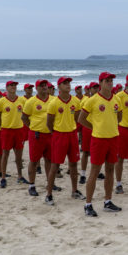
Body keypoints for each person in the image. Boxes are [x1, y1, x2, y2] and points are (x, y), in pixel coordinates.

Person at [78, 72, 123, 217]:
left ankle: (108, 201)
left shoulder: (116, 99)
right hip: (98, 140)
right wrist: (95, 127)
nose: (110, 83)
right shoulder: (93, 100)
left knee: (110, 170)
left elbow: (119, 116)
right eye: (107, 81)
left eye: (111, 81)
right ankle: (88, 204)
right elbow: (81, 119)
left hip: (113, 138)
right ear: (101, 83)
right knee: (95, 171)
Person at [45, 77, 85, 205]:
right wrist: (56, 132)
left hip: (72, 135)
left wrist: (71, 129)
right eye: (65, 83)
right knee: (55, 166)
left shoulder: (75, 101)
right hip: (59, 135)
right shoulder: (54, 103)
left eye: (69, 83)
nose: (68, 85)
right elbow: (49, 123)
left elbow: (77, 117)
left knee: (73, 164)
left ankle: (74, 190)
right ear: (59, 86)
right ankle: (49, 194)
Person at [22, 79, 54, 196]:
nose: (44, 87)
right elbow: (24, 117)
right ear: (37, 88)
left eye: (45, 85)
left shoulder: (53, 100)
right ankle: (31, 185)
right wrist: (33, 127)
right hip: (37, 134)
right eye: (41, 86)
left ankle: (50, 183)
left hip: (50, 134)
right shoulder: (31, 101)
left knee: (49, 160)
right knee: (34, 161)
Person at [0, 81, 29, 188]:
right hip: (6, 131)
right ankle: (3, 177)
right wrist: (3, 126)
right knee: (5, 155)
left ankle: (20, 176)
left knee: (19, 156)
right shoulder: (1, 101)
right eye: (11, 85)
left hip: (19, 130)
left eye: (15, 85)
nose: (13, 87)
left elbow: (26, 114)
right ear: (7, 87)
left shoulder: (21, 100)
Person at [78, 82, 100, 184]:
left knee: (98, 153)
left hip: (99, 129)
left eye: (97, 87)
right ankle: (83, 174)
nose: (96, 89)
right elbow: (80, 117)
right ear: (89, 89)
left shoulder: (101, 100)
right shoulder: (86, 101)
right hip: (88, 128)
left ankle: (97, 172)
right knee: (86, 152)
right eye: (93, 88)